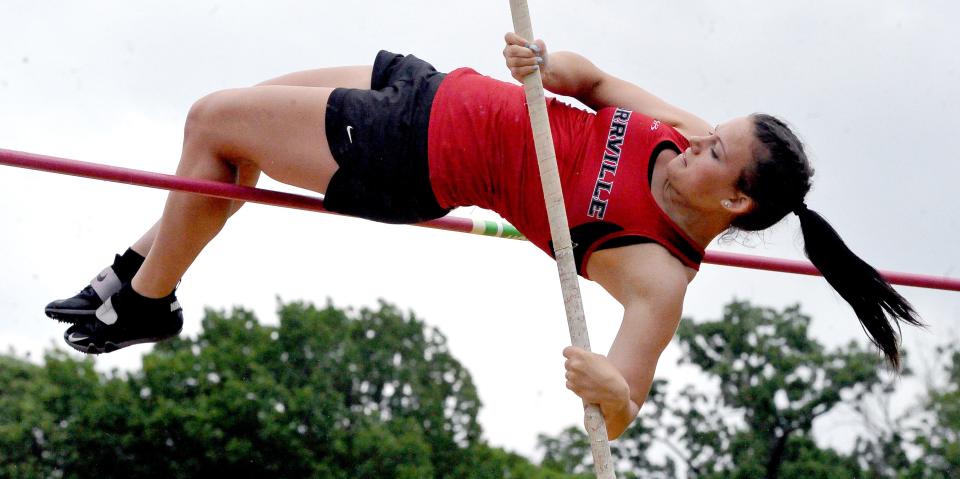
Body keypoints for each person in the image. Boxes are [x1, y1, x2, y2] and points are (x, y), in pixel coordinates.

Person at [44, 33, 922, 440]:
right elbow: (596, 79)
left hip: (412, 157)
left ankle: (144, 296)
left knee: (213, 121)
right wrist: (548, 68)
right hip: (430, 87)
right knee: (223, 148)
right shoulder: (679, 132)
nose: (694, 139)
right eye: (707, 132)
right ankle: (135, 278)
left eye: (712, 151)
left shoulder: (657, 271)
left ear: (733, 202)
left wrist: (607, 383)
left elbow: (625, 403)